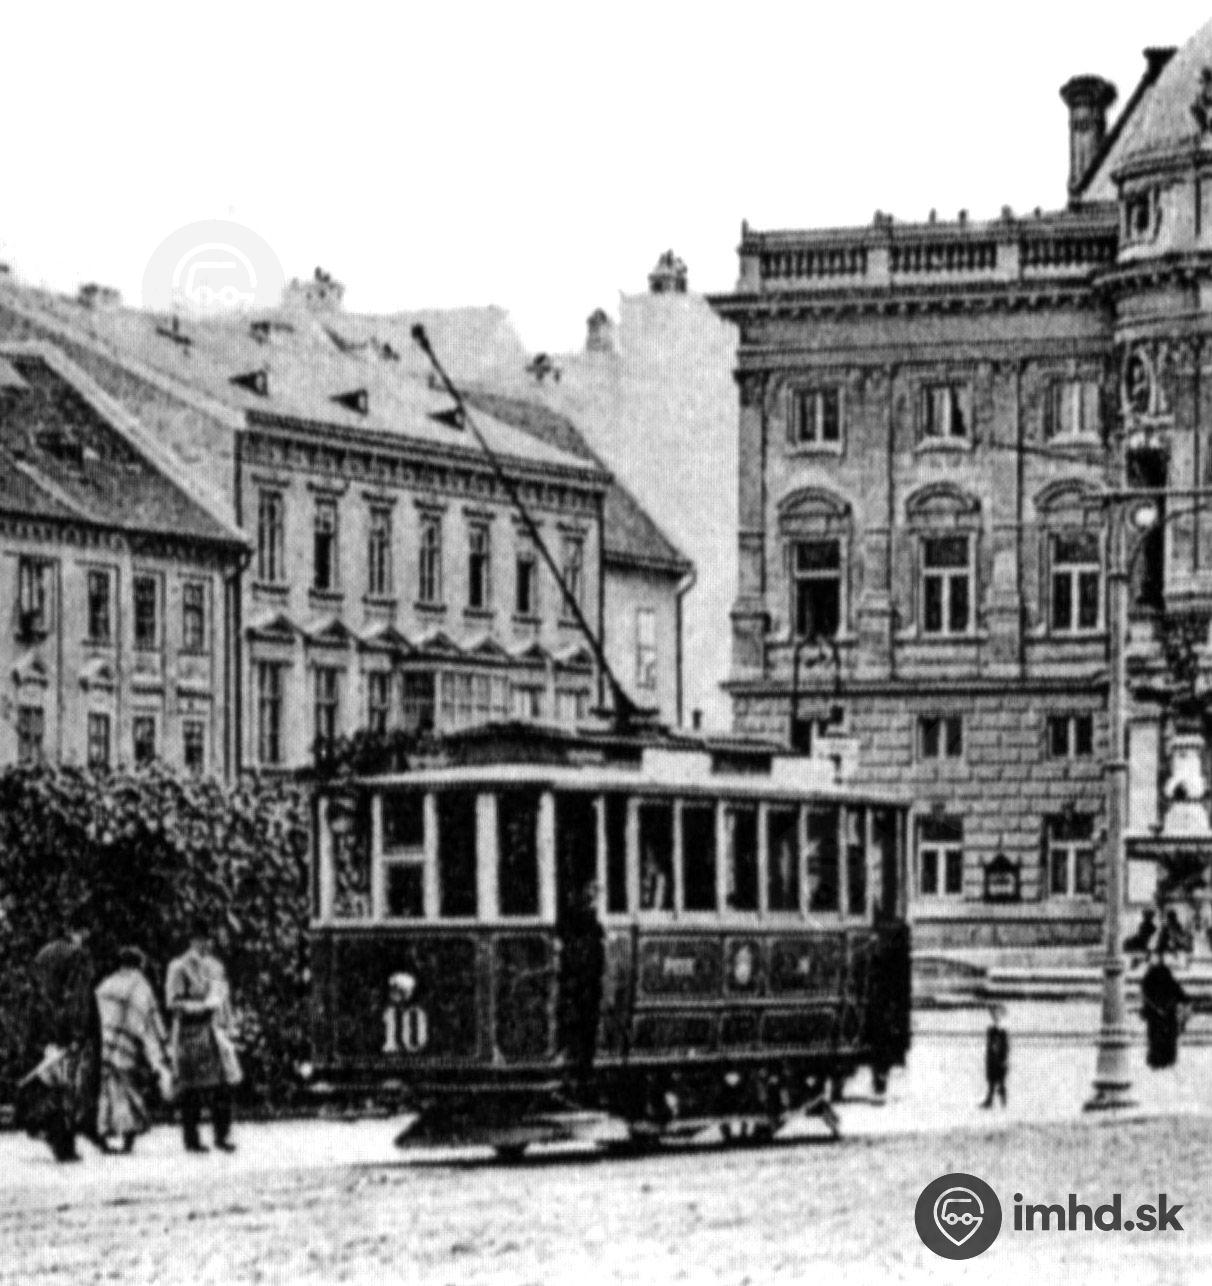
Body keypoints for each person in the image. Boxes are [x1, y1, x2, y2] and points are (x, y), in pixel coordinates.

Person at [21, 907, 102, 1161]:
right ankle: (65, 1143)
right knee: (70, 1086)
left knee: (49, 1084)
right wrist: (77, 1033)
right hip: (65, 1030)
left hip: (40, 1029)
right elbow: (78, 998)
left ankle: (53, 1134)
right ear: (81, 931)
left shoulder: (43, 953)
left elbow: (34, 995)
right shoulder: (78, 956)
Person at [166, 920, 240, 1153]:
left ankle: (222, 1135)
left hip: (214, 1031)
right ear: (192, 940)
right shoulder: (179, 966)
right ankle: (192, 1139)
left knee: (223, 1085)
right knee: (192, 1088)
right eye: (200, 939)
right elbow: (173, 1002)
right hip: (191, 1031)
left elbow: (222, 999)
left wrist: (229, 1026)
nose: (205, 944)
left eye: (208, 940)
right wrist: (200, 1006)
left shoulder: (215, 966)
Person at [95, 947, 172, 1154]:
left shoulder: (106, 983)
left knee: (104, 1092)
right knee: (128, 1091)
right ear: (140, 964)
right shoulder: (140, 985)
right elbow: (151, 1017)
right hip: (127, 1043)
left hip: (103, 1042)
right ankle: (128, 1137)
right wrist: (161, 1048)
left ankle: (102, 1136)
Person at [558, 880, 605, 1085]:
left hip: (585, 981)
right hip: (584, 980)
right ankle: (582, 1069)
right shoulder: (587, 921)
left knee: (583, 1023)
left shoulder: (584, 920)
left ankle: (581, 1069)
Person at [1141, 953, 1189, 1070]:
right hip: (1167, 1013)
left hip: (1156, 1014)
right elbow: (1182, 996)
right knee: (1166, 1038)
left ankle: (1157, 1060)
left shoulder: (1149, 979)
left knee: (1156, 1038)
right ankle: (1166, 1060)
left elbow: (1146, 994)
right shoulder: (1168, 979)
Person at [981, 1006, 1009, 1108]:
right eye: (993, 1014)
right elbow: (991, 1045)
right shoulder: (992, 1030)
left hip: (998, 1059)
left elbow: (1004, 1046)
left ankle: (1002, 1101)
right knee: (992, 1081)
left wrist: (1002, 1058)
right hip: (992, 1058)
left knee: (999, 1081)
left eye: (996, 1014)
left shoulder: (1001, 1031)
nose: (994, 1016)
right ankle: (992, 1100)